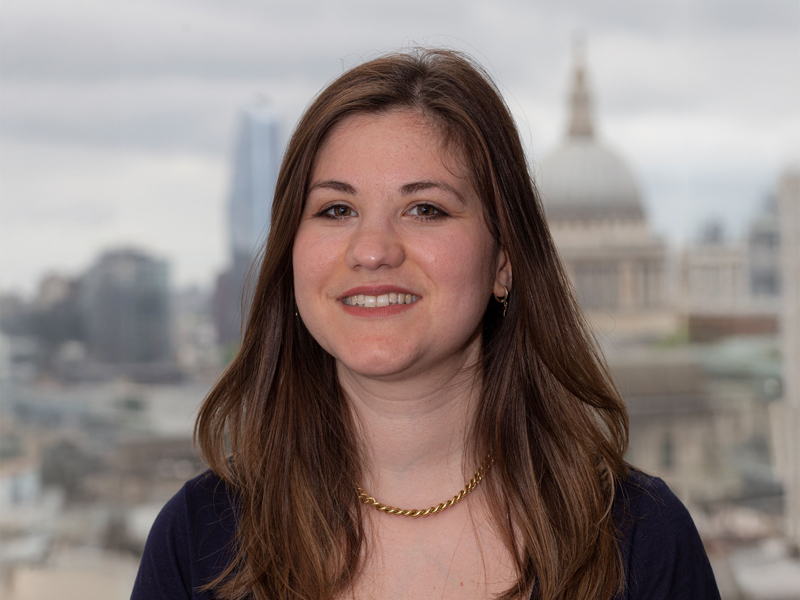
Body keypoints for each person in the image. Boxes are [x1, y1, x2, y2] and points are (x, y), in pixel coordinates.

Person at [132, 48, 720, 600]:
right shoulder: (197, 541)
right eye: (336, 209)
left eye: (425, 209)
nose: (372, 250)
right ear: (291, 252)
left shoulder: (642, 538)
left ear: (504, 260)